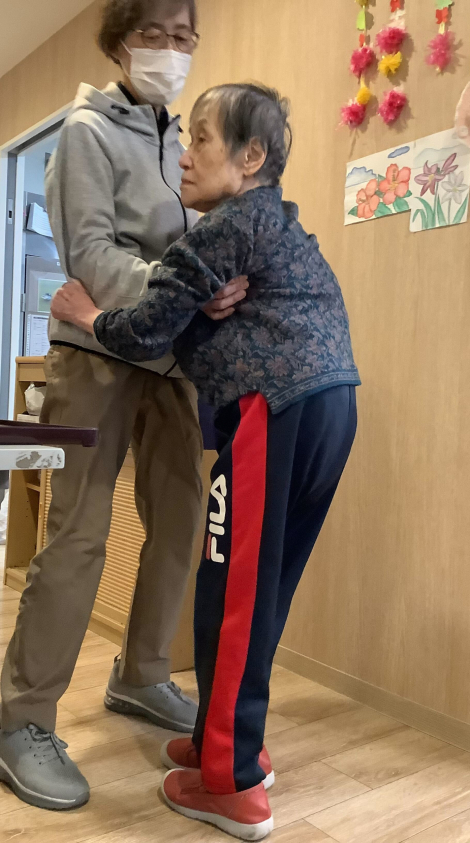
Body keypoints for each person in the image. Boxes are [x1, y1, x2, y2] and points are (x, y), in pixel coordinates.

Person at [51, 83, 360, 841]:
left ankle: (230, 781)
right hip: (329, 408)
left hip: (270, 413)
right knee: (260, 590)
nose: (185, 157)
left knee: (231, 596)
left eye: (201, 140)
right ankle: (227, 740)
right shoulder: (280, 223)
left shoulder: (224, 228)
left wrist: (86, 313)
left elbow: (146, 325)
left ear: (250, 158)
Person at [0, 0, 247, 813]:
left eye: (185, 38)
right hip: (95, 353)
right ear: (119, 42)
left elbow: (193, 246)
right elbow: (92, 255)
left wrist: (211, 285)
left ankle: (141, 674)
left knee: (180, 524)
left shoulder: (183, 142)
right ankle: (20, 717)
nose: (172, 51)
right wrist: (188, 287)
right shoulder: (86, 132)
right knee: (77, 534)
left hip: (170, 362)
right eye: (155, 35)